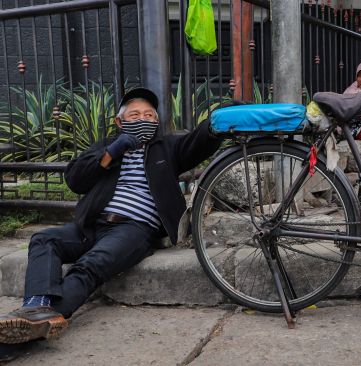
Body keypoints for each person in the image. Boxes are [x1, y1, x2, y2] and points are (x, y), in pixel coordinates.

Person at [0, 88, 222, 344]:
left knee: (90, 265)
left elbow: (198, 142)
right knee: (43, 239)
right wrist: (112, 153)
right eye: (135, 114)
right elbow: (75, 179)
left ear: (156, 122)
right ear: (120, 122)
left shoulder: (167, 147)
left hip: (134, 229)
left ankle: (35, 324)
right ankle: (35, 307)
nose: (143, 119)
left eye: (149, 115)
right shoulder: (105, 147)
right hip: (91, 224)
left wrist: (217, 120)